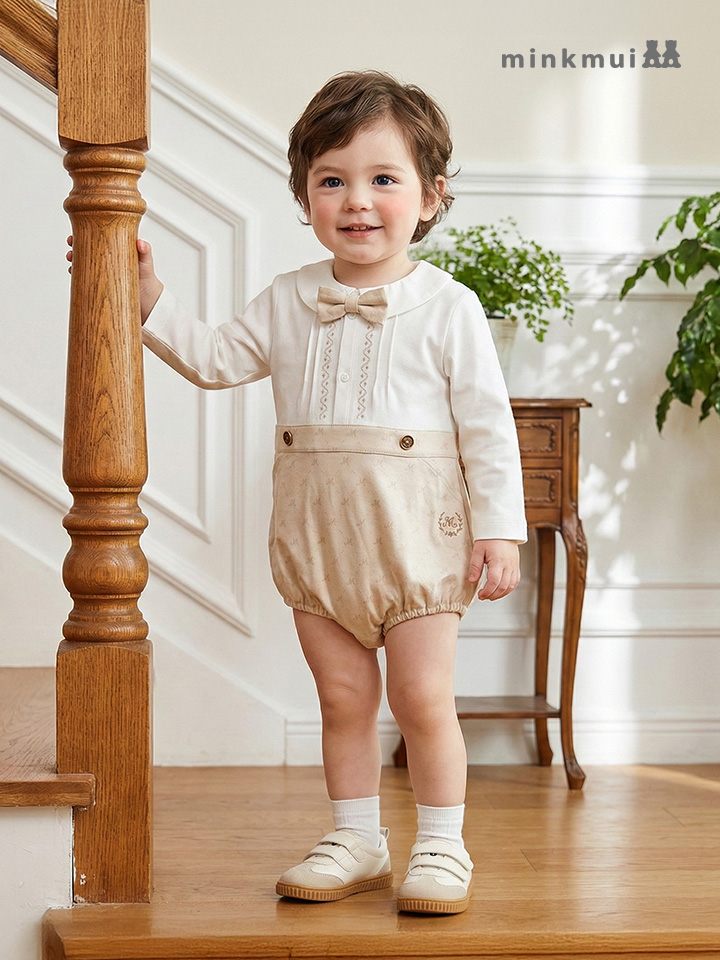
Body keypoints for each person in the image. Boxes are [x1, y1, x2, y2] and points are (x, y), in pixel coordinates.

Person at [72, 70, 527, 914]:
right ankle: (357, 837)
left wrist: (500, 530)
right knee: (342, 698)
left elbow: (488, 429)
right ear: (304, 195)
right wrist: (146, 296)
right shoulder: (288, 298)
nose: (357, 201)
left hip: (419, 544)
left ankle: (441, 843)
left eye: (383, 178)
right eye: (331, 180)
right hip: (318, 542)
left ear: (431, 196)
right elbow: (213, 360)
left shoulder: (449, 307)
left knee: (421, 697)